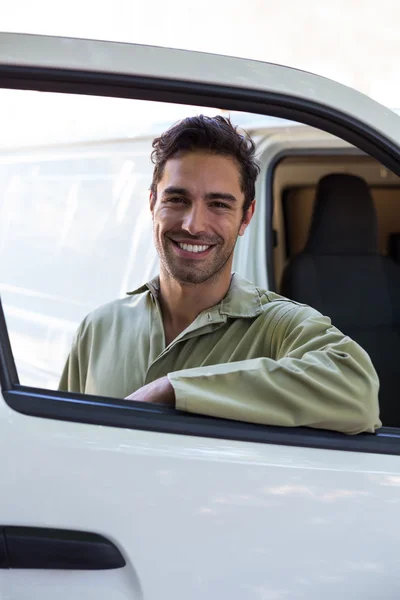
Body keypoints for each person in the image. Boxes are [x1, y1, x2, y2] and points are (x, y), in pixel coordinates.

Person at [59, 115, 381, 434]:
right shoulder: (97, 329)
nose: (193, 225)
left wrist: (174, 391)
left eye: (219, 205)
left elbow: (359, 392)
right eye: (177, 199)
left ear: (246, 217)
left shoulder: (279, 327)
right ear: (152, 203)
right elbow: (61, 445)